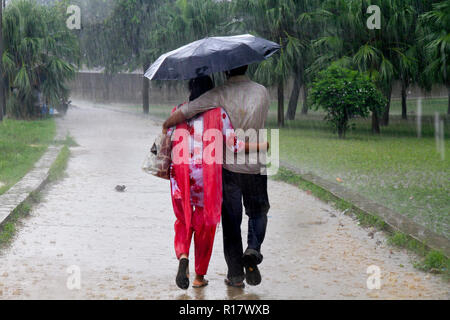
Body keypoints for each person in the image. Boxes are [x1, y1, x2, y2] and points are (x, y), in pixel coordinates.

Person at [163, 65, 270, 288]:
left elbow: (179, 123)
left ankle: (218, 270)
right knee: (247, 215)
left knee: (207, 221)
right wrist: (264, 144)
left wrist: (166, 124)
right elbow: (238, 140)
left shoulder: (201, 101)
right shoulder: (258, 93)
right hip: (234, 172)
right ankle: (244, 254)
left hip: (201, 175)